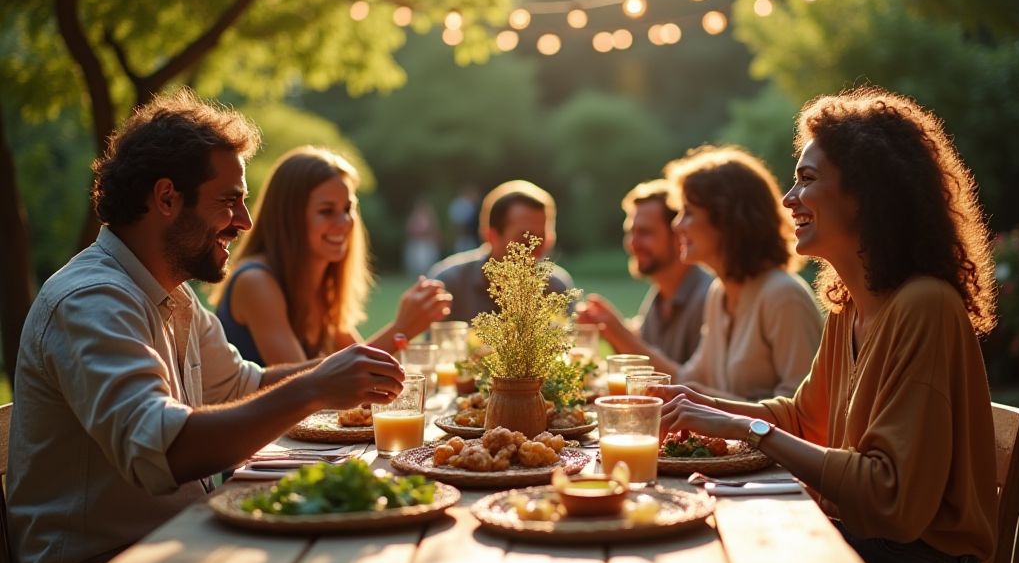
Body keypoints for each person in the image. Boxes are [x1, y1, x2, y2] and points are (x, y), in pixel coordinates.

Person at [7, 90, 406, 563]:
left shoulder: (172, 294)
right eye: (229, 200)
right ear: (167, 197)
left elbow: (244, 384)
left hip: (180, 550)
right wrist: (315, 388)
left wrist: (335, 371)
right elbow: (164, 451)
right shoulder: (91, 300)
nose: (243, 221)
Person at [657, 87, 998, 563]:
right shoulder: (849, 305)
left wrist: (743, 426)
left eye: (808, 179)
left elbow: (891, 498)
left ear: (867, 192)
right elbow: (803, 419)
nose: (790, 197)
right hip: (846, 551)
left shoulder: (925, 308)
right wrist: (698, 405)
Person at [211, 147, 451, 366]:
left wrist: (405, 329)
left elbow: (355, 363)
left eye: (347, 209)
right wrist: (401, 330)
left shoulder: (320, 284)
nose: (344, 222)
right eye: (326, 211)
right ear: (289, 218)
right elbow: (303, 386)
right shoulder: (255, 281)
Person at [662, 145, 823, 400]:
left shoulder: (783, 296)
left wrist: (707, 402)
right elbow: (688, 382)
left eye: (688, 212)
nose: (676, 224)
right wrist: (616, 335)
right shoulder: (719, 293)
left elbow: (805, 411)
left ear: (727, 219)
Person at [577, 179, 712, 365]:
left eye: (645, 232)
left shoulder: (707, 298)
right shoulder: (658, 298)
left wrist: (620, 333)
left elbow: (692, 383)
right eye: (630, 232)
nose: (632, 243)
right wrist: (609, 331)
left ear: (679, 235)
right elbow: (640, 371)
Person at [428, 179, 573, 322]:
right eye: (524, 241)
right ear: (491, 236)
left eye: (542, 239)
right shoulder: (450, 284)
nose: (535, 250)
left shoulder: (556, 288)